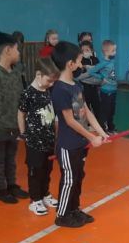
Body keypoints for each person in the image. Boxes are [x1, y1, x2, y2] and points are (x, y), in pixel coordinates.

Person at [50, 41, 109, 228]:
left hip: (80, 143)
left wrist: (101, 132)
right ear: (70, 64)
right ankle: (62, 215)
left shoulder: (76, 85)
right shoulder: (60, 89)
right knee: (69, 180)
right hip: (68, 145)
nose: (81, 63)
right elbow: (70, 121)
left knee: (78, 177)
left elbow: (86, 112)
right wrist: (92, 137)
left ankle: (73, 209)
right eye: (79, 60)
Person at [0, 32, 29, 203]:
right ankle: (2, 190)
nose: (19, 52)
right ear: (8, 50)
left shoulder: (16, 72)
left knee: (11, 158)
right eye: (17, 49)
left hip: (14, 125)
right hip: (0, 127)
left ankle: (12, 185)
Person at [18, 58, 60, 216]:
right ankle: (35, 200)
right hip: (34, 140)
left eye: (53, 81)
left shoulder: (47, 90)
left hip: (48, 138)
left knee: (47, 169)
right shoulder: (28, 93)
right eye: (49, 80)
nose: (51, 84)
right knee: (36, 170)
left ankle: (45, 193)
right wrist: (24, 134)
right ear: (38, 75)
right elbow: (21, 114)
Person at [92, 40, 118, 133]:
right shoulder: (103, 63)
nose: (115, 52)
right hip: (106, 91)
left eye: (115, 50)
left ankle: (110, 126)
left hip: (113, 90)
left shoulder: (111, 61)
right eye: (113, 50)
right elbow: (92, 71)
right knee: (105, 110)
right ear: (106, 52)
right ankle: (102, 128)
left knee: (111, 110)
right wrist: (102, 78)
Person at [76, 40, 102, 124]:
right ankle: (86, 124)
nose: (85, 52)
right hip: (84, 88)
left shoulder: (95, 60)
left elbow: (99, 73)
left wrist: (89, 71)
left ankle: (99, 124)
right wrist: (91, 72)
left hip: (95, 88)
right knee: (85, 107)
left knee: (97, 106)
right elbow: (80, 77)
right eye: (82, 50)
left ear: (92, 50)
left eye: (87, 50)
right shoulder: (80, 61)